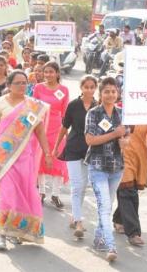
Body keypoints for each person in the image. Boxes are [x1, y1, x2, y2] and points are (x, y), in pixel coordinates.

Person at [0, 70, 52, 251]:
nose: (22, 87)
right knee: (6, 195)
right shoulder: (0, 103)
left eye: (25, 83)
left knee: (23, 195)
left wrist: (47, 153)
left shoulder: (32, 106)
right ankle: (1, 234)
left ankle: (16, 232)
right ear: (9, 85)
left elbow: (39, 132)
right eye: (18, 83)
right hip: (3, 158)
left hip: (25, 159)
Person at [85, 76, 128, 262]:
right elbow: (90, 140)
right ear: (100, 94)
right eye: (106, 91)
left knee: (107, 206)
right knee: (104, 207)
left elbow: (128, 139)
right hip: (97, 165)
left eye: (113, 91)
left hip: (116, 167)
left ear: (117, 93)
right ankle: (111, 246)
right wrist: (114, 134)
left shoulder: (122, 114)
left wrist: (124, 140)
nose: (110, 94)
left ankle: (97, 239)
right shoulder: (93, 113)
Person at [52, 75, 98, 238]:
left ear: (95, 88)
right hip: (72, 147)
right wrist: (56, 147)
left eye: (92, 87)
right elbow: (64, 128)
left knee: (83, 185)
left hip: (90, 150)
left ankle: (74, 216)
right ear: (81, 88)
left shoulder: (97, 106)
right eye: (86, 87)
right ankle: (78, 221)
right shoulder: (73, 105)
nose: (89, 90)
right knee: (76, 184)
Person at [113, 125, 147, 246]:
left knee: (128, 190)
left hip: (140, 158)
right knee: (127, 191)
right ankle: (133, 233)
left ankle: (119, 219)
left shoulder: (143, 112)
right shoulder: (119, 110)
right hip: (120, 156)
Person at [33, 62, 69, 208]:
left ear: (57, 73)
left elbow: (66, 113)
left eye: (51, 72)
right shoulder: (38, 87)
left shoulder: (64, 90)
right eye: (45, 72)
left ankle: (55, 194)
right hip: (40, 128)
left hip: (57, 129)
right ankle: (41, 192)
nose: (48, 75)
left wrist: (66, 130)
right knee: (40, 160)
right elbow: (33, 108)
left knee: (58, 161)